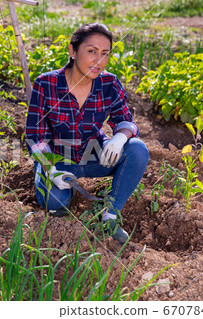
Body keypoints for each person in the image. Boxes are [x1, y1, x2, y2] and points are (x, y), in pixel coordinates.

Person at [25, 23, 149, 243]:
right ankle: (66, 192)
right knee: (55, 201)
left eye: (105, 54)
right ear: (73, 51)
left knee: (137, 149)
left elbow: (126, 121)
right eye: (91, 51)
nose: (98, 61)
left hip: (94, 155)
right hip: (58, 160)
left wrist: (120, 137)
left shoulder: (109, 83)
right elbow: (36, 135)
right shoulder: (46, 84)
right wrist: (48, 169)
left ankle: (110, 214)